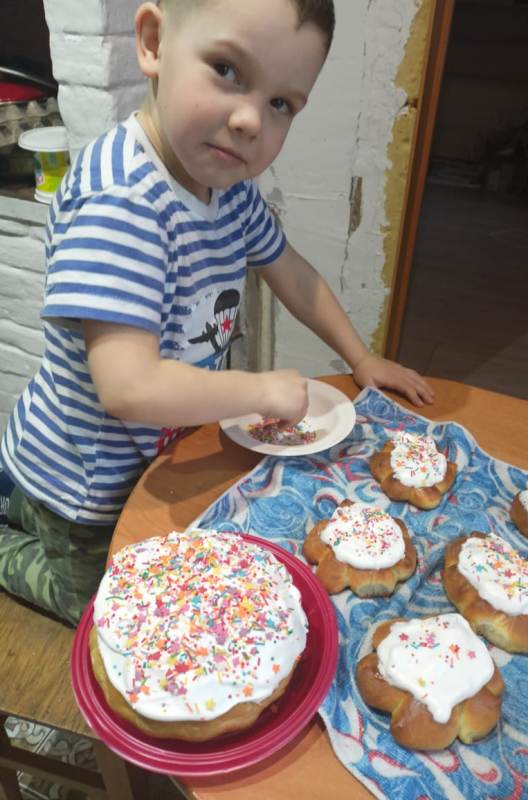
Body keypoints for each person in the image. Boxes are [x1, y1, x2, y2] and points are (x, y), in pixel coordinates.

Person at [0, 0, 434, 626]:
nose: (250, 119)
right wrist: (258, 391)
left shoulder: (228, 189)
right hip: (81, 482)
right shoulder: (121, 200)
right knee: (96, 609)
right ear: (153, 42)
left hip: (152, 461)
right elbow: (128, 388)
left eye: (281, 103)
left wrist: (360, 357)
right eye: (227, 70)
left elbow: (291, 271)